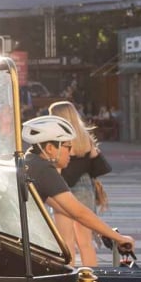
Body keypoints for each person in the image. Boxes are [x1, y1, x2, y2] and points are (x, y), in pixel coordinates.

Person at [19, 116, 134, 261]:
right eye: (67, 146)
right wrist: (120, 238)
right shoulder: (43, 169)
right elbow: (78, 212)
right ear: (49, 148)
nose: (71, 151)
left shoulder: (29, 161)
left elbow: (66, 209)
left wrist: (103, 231)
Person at [49, 101, 108, 267]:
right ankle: (92, 281)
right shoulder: (85, 138)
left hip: (62, 189)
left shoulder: (58, 139)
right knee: (86, 242)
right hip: (85, 188)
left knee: (66, 242)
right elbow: (96, 163)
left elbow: (57, 170)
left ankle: (69, 280)